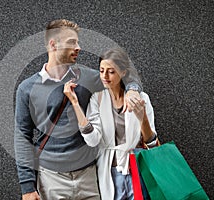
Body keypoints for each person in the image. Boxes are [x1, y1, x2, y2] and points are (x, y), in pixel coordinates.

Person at [14, 19, 143, 200]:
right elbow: (22, 138)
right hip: (51, 178)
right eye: (72, 42)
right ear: (53, 45)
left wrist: (132, 90)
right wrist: (27, 187)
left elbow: (125, 73)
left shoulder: (88, 77)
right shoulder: (27, 88)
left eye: (78, 42)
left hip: (88, 176)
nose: (79, 47)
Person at [64, 47, 158, 200]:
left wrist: (142, 118)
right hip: (110, 172)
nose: (105, 76)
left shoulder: (141, 98)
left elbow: (152, 144)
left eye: (111, 71)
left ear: (123, 72)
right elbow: (93, 140)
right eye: (101, 71)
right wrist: (75, 103)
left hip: (138, 170)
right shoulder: (97, 99)